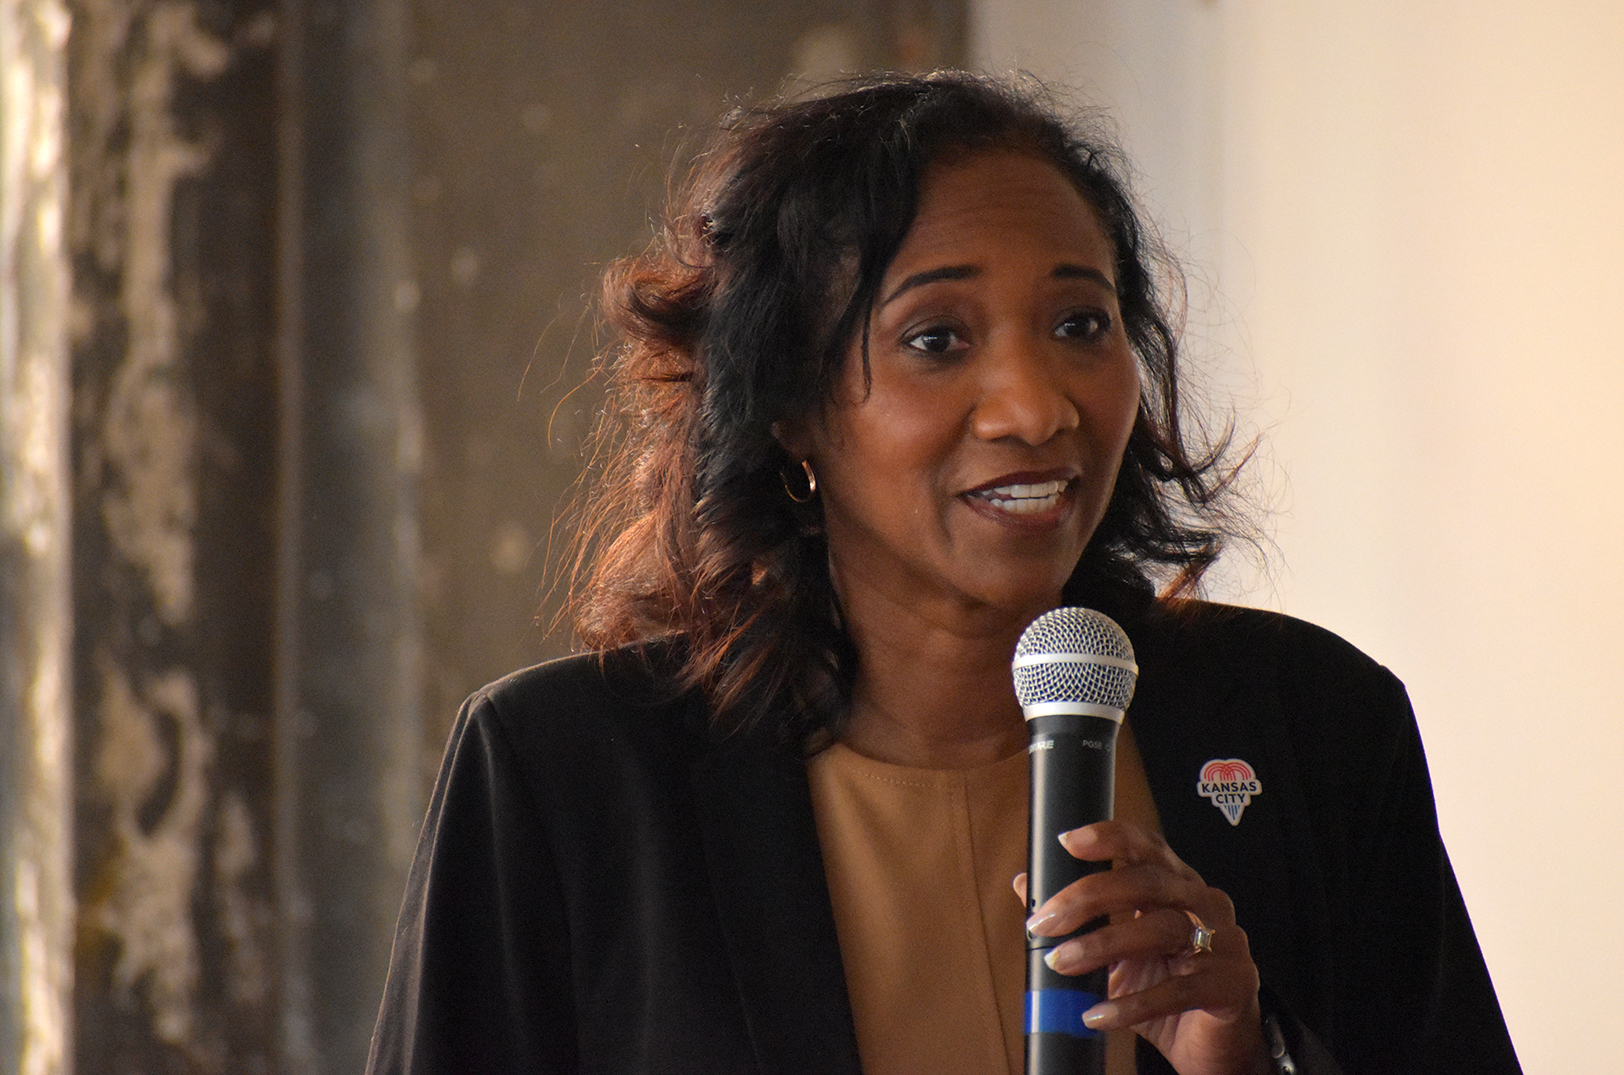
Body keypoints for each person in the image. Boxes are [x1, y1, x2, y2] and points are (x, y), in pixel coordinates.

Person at [365, 72, 1520, 1075]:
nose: (1035, 407)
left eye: (1080, 324)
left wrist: (1247, 1060)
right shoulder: (564, 777)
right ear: (788, 406)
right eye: (936, 339)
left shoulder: (1312, 728)